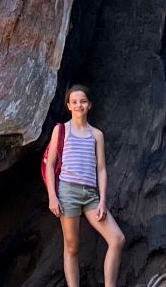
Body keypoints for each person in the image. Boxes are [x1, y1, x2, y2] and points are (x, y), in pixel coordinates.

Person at [44, 84, 125, 287]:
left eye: (83, 101)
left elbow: (101, 170)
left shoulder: (96, 135)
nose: (79, 105)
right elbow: (51, 163)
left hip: (90, 195)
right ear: (69, 106)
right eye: (74, 102)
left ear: (89, 105)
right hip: (67, 192)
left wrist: (103, 201)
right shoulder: (61, 130)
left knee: (117, 239)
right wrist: (52, 196)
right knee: (72, 247)